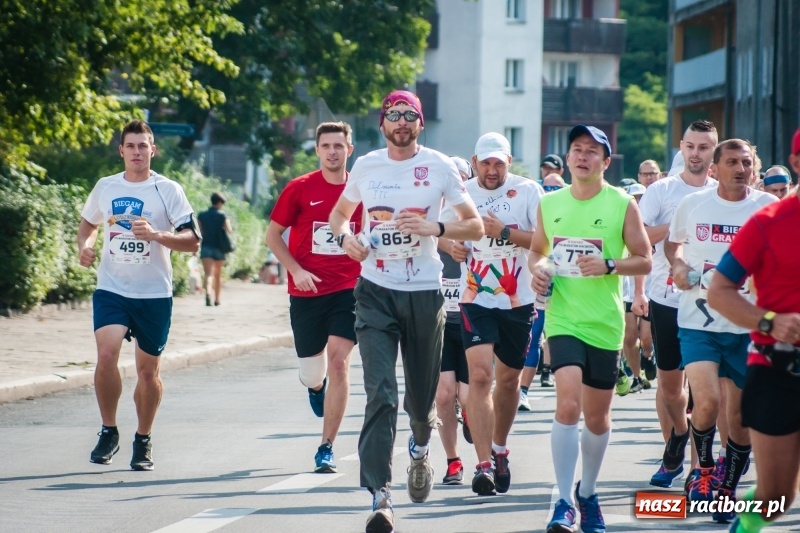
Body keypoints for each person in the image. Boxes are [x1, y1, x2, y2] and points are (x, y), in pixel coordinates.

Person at [328, 90, 483, 533]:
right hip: (375, 290)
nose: (401, 122)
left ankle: (419, 448)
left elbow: (473, 224)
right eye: (393, 116)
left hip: (423, 292)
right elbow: (341, 215)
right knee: (380, 393)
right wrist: (345, 239)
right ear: (381, 124)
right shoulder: (367, 166)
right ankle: (381, 495)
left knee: (420, 399)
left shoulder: (437, 166)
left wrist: (434, 226)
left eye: (408, 116)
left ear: (419, 123)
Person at [530, 125, 652, 533]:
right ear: (567, 158)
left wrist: (609, 265)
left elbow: (645, 259)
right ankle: (563, 500)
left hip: (604, 322)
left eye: (592, 151)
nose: (583, 157)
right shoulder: (551, 204)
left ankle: (588, 492)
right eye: (577, 150)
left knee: (597, 419)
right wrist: (540, 271)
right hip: (563, 318)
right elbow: (537, 252)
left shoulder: (621, 203)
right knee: (567, 404)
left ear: (605, 160)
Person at [77, 119, 200, 471]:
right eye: (130, 146)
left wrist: (158, 235)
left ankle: (143, 438)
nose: (136, 152)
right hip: (112, 288)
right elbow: (88, 224)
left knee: (148, 372)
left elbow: (193, 241)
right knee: (106, 355)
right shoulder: (106, 187)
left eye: (142, 146)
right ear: (121, 150)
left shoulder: (168, 190)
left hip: (153, 294)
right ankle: (109, 430)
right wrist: (85, 246)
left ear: (152, 150)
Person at [665, 139, 775, 522]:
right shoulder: (693, 205)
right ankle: (705, 473)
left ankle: (729, 484)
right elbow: (673, 246)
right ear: (714, 168)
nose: (739, 169)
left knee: (741, 417)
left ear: (754, 167)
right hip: (699, 321)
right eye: (731, 162)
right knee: (708, 401)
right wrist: (679, 267)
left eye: (746, 162)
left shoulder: (767, 209)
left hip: (747, 326)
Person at [443, 132, 541, 496]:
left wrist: (507, 232)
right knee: (481, 377)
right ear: (475, 162)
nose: (492, 170)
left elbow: (545, 239)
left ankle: (499, 447)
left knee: (510, 381)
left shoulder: (528, 191)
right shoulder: (462, 191)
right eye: (486, 162)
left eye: (499, 163)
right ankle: (483, 464)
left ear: (509, 163)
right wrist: (450, 244)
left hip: (518, 299)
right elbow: (441, 230)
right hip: (475, 297)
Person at [265, 121, 363, 474]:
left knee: (339, 362)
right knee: (313, 371)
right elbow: (273, 236)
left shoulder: (361, 190)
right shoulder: (300, 188)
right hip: (306, 290)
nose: (333, 151)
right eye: (326, 146)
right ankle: (315, 386)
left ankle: (326, 447)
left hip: (348, 289)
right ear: (318, 150)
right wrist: (295, 270)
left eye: (339, 145)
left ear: (349, 149)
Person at [706, 169, 800, 533]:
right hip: (777, 368)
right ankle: (745, 523)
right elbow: (719, 291)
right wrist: (769, 322)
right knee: (776, 500)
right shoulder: (768, 222)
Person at [637, 120, 719, 489]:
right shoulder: (662, 191)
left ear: (713, 153)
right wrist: (675, 226)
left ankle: (697, 468)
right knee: (671, 387)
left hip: (708, 305)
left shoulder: (723, 193)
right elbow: (637, 241)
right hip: (665, 298)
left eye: (705, 148)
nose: (697, 154)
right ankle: (678, 436)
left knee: (705, 390)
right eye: (691, 146)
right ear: (682, 148)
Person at [434, 155, 474, 487]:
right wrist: (443, 241)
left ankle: (475, 423)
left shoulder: (475, 216)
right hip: (438, 318)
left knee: (469, 395)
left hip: (473, 317)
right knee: (445, 395)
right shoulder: (428, 214)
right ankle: (453, 460)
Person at [519, 172, 565, 409]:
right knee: (534, 335)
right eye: (546, 187)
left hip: (568, 284)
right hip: (541, 279)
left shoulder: (570, 208)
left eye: (556, 187)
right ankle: (522, 391)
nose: (550, 191)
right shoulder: (539, 207)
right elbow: (533, 244)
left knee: (556, 336)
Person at [619, 183, 653, 395]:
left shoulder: (651, 222)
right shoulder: (622, 223)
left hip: (651, 288)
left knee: (647, 338)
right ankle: (637, 376)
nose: (638, 202)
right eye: (634, 198)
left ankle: (649, 356)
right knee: (630, 336)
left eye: (641, 197)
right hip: (626, 290)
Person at [197, 192, 233, 306]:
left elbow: (198, 232)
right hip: (219, 248)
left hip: (206, 247)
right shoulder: (222, 215)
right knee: (218, 275)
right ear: (219, 203)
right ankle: (217, 300)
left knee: (208, 274)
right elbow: (229, 230)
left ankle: (208, 293)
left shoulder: (202, 215)